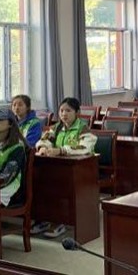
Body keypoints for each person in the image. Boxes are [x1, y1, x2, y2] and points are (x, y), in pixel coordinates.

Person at [32, 97, 97, 238]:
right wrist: (43, 147)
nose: (64, 114)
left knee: (57, 188)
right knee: (39, 184)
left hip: (78, 171)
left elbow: (84, 148)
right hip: (56, 168)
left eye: (68, 110)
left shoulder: (82, 128)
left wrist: (61, 150)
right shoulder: (57, 127)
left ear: (77, 112)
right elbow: (44, 140)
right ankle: (44, 219)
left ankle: (59, 222)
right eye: (61, 110)